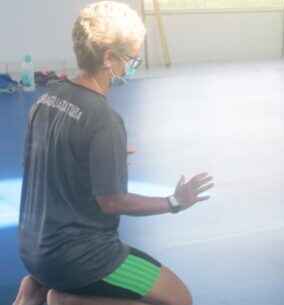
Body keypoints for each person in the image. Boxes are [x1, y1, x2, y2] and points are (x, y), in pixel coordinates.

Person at [12, 2, 213, 305]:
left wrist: (102, 159)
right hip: (81, 258)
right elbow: (112, 202)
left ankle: (36, 287)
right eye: (131, 58)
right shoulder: (104, 118)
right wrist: (174, 202)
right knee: (180, 299)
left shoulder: (47, 97)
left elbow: (46, 160)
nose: (133, 64)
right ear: (109, 58)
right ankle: (66, 300)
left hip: (33, 248)